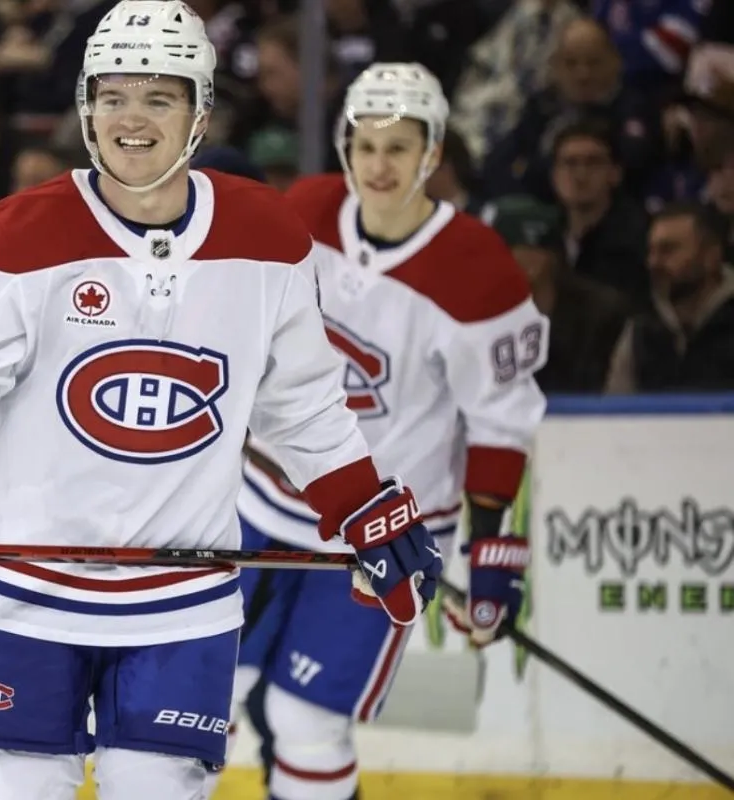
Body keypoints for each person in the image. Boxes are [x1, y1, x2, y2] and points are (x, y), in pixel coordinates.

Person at [0, 6, 444, 799]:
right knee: (22, 792)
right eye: (113, 96)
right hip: (27, 592)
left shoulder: (267, 238)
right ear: (85, 107)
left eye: (159, 97)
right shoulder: (15, 237)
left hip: (181, 602)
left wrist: (363, 507)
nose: (131, 119)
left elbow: (301, 406)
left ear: (200, 113)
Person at [217, 63, 548, 800]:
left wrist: (494, 551)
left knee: (304, 719)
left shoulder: (480, 273)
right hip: (260, 504)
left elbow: (500, 424)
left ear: (433, 154)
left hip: (384, 532)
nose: (379, 165)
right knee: (201, 701)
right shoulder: (302, 212)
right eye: (365, 145)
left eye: (399, 147)